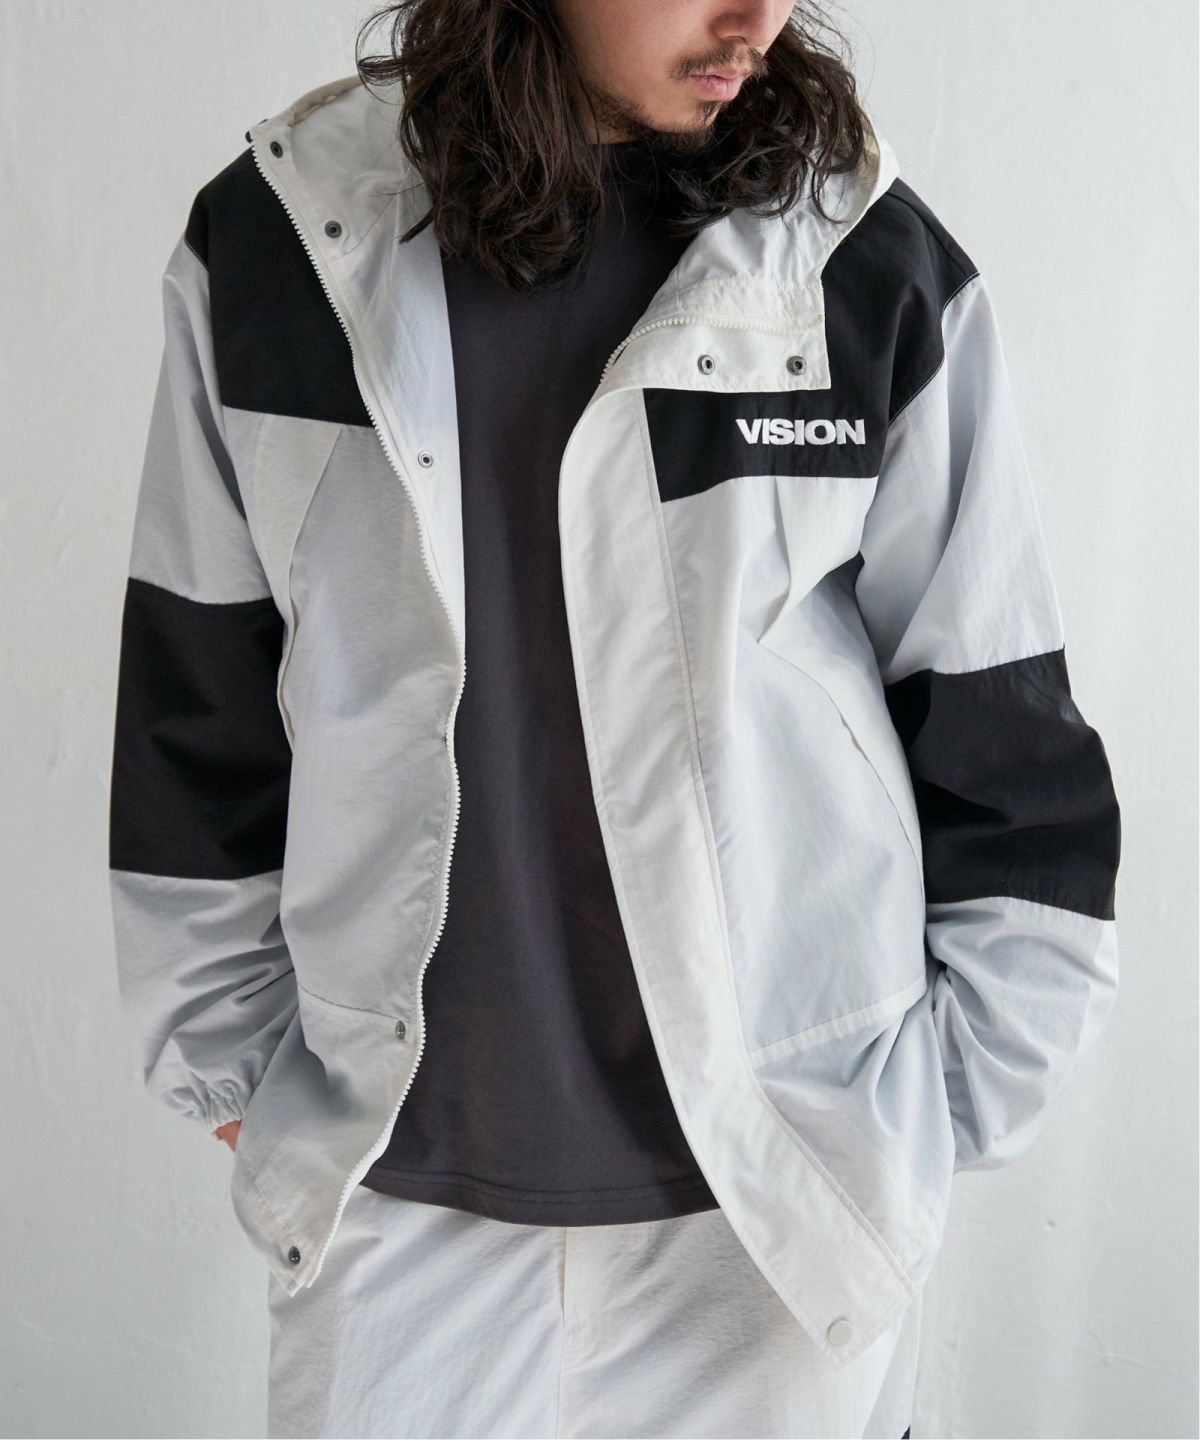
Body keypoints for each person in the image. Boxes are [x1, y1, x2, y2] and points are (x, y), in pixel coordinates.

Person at [107, 1, 1122, 1436]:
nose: (756, 16)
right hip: (400, 1213)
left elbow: (1002, 721)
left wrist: (933, 1111)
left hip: (779, 1214)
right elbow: (197, 691)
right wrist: (233, 1063)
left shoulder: (854, 261)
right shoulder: (282, 244)